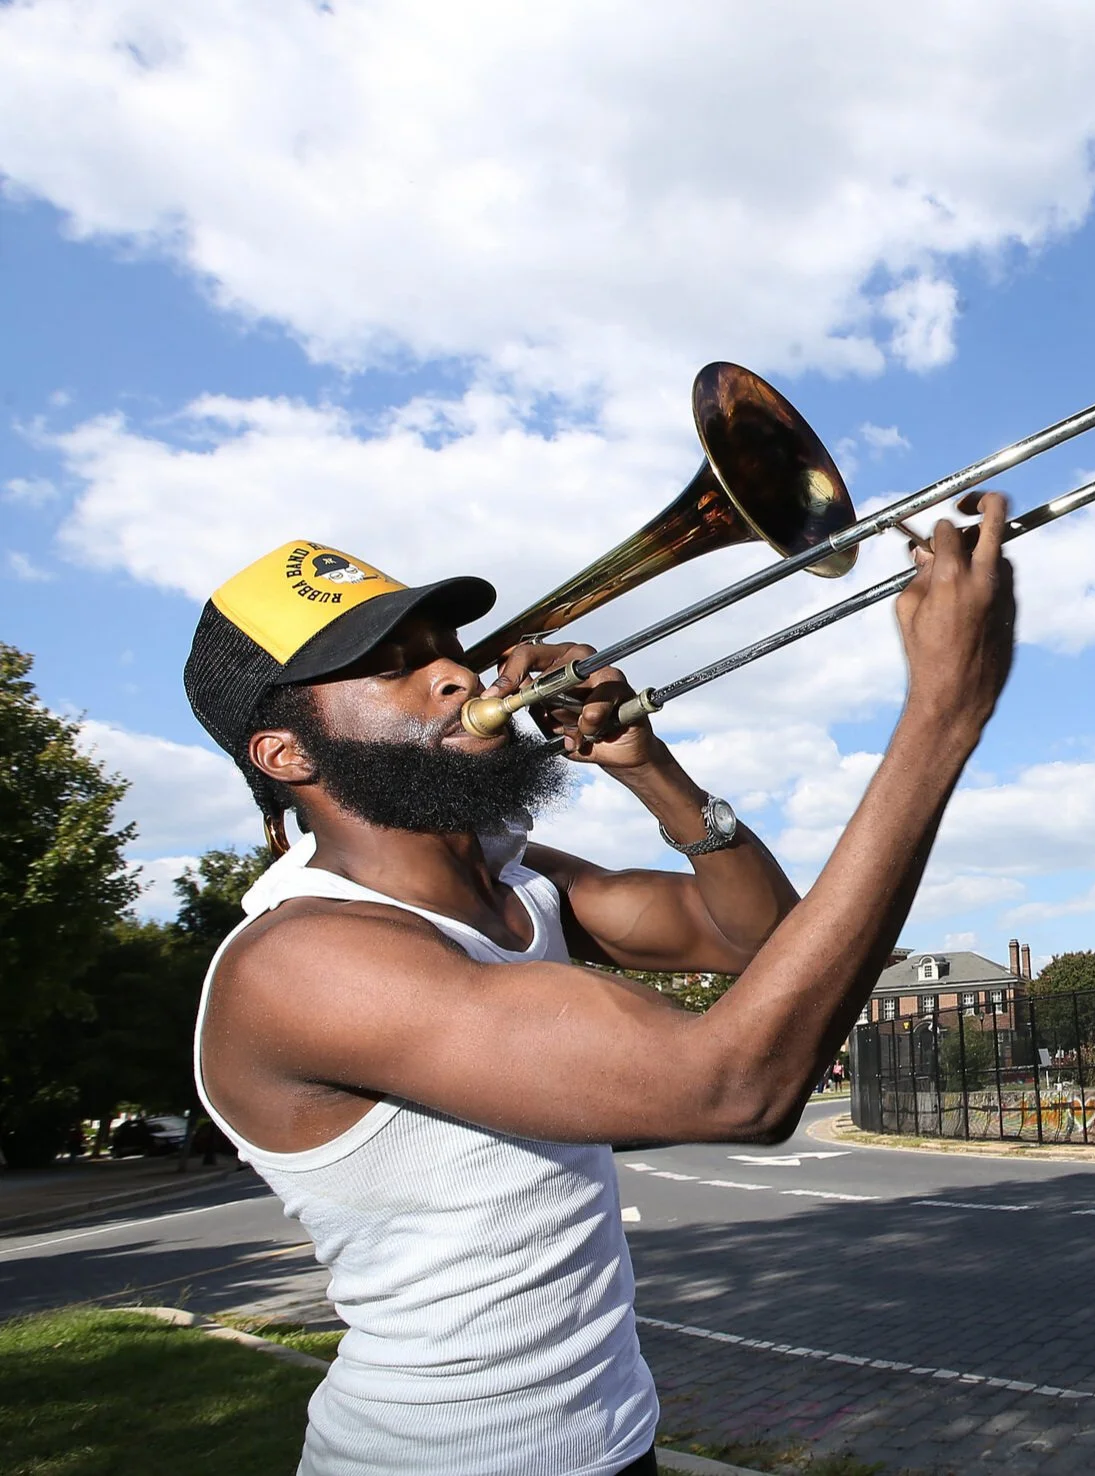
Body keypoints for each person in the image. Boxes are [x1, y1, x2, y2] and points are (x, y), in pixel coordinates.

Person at [184, 503, 1015, 1476]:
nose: (456, 670)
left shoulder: (515, 881)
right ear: (287, 755)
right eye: (392, 665)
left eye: (441, 643)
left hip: (613, 1442)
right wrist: (940, 719)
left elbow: (758, 943)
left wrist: (650, 769)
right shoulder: (304, 960)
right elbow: (736, 1088)